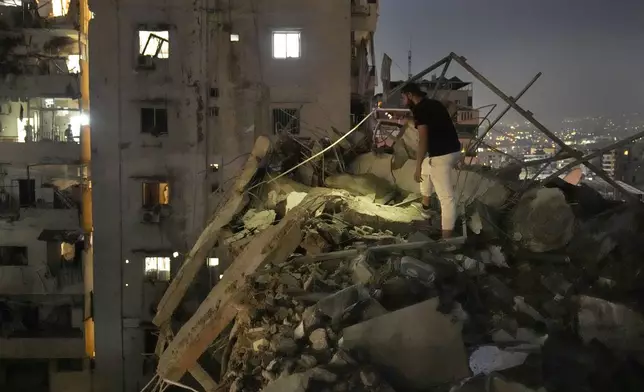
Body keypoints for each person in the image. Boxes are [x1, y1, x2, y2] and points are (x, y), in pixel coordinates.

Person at [401, 83, 461, 239]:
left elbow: (423, 140)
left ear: (409, 95)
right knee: (426, 169)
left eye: (403, 97)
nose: (402, 101)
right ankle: (425, 212)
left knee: (446, 199)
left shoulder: (421, 110)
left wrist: (417, 167)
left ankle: (446, 239)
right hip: (453, 151)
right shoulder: (433, 104)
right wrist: (421, 165)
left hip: (442, 155)